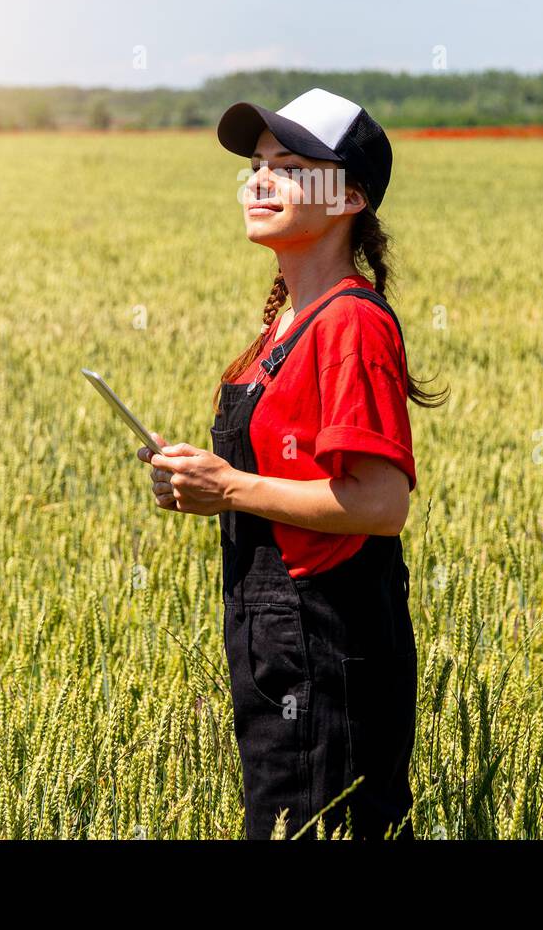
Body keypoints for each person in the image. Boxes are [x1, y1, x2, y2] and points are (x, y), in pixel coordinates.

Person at [137, 87, 447, 840]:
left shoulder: (348, 322)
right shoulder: (282, 325)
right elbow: (278, 480)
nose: (259, 181)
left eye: (290, 165)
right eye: (255, 165)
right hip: (272, 631)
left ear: (349, 196)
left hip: (329, 637)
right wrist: (196, 484)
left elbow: (379, 503)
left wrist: (234, 485)